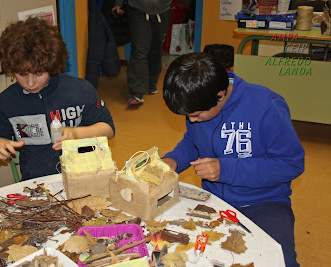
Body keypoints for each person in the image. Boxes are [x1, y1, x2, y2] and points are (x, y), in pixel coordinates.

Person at [161, 53, 304, 267]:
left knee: (278, 260)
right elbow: (192, 142)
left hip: (265, 203)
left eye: (196, 115)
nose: (192, 120)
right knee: (186, 254)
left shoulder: (266, 105)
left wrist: (226, 169)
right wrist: (173, 161)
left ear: (220, 95)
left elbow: (291, 164)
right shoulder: (200, 98)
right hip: (215, 200)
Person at [0, 18, 115, 181]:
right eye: (21, 74)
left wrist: (75, 134)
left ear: (52, 65)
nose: (30, 83)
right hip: (37, 183)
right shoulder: (8, 102)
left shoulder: (80, 90)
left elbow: (108, 130)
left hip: (85, 176)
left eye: (38, 74)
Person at [112, 0, 171, 105]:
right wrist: (118, 4)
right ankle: (137, 91)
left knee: (156, 49)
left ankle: (151, 83)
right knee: (140, 50)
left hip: (162, 10)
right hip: (137, 9)